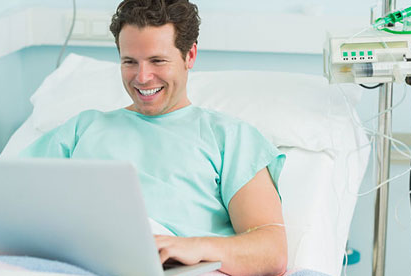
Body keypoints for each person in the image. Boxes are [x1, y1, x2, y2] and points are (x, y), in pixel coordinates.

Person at [21, 0, 287, 275]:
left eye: (157, 61)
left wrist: (194, 246)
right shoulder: (81, 129)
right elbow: (11, 199)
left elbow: (272, 251)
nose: (142, 77)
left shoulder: (230, 138)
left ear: (190, 56)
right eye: (129, 62)